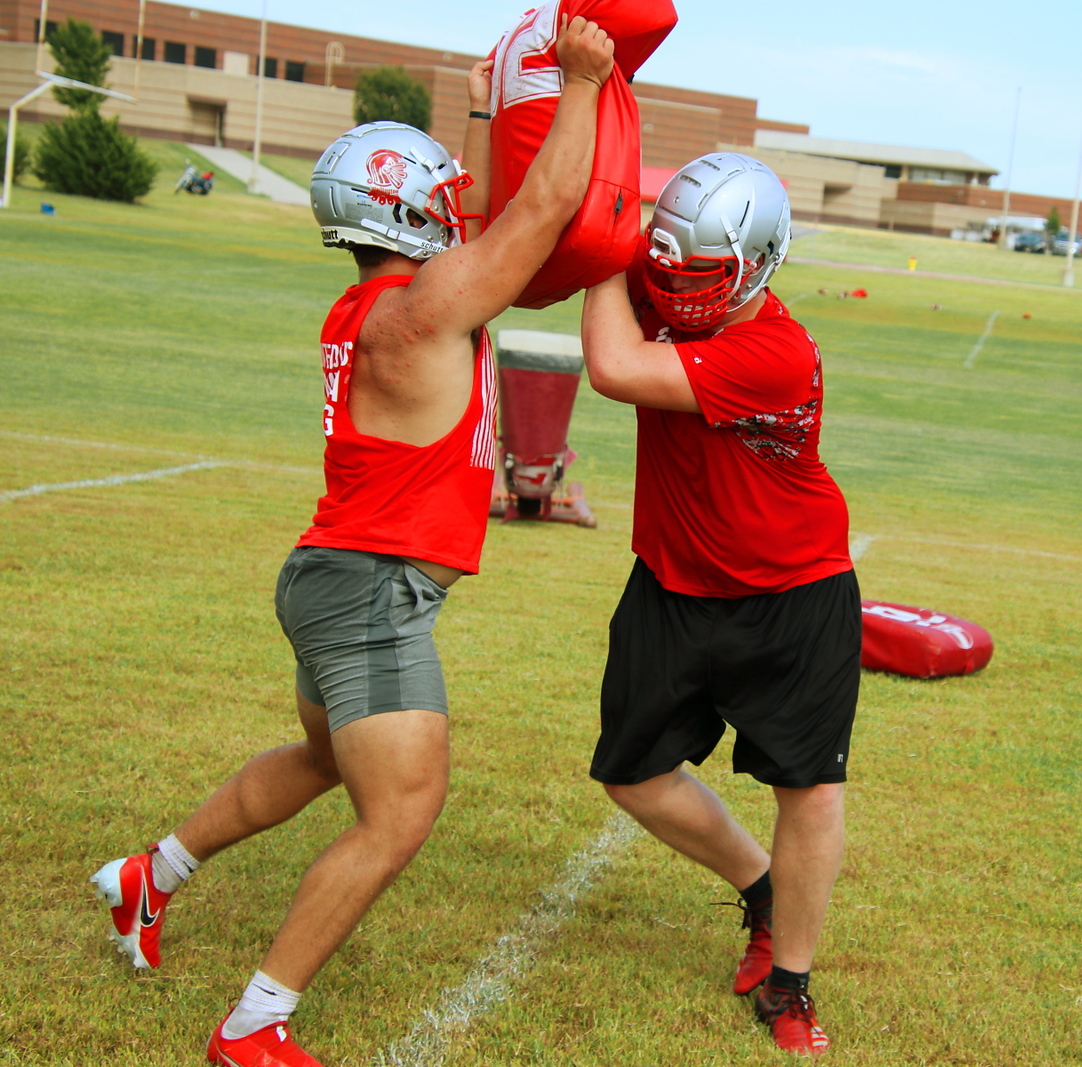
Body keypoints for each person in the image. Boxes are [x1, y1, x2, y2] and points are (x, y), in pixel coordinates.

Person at [88, 20, 615, 1067]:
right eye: (433, 191)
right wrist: (586, 85)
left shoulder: (381, 302)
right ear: (402, 211)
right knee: (400, 811)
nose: (452, 200)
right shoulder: (419, 310)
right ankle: (254, 1024)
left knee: (325, 759)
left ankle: (153, 872)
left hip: (338, 574)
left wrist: (478, 103)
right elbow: (545, 207)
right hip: (367, 585)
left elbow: (472, 220)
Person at [579, 152, 860, 1057]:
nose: (678, 291)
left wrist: (600, 254)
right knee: (631, 773)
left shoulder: (777, 352)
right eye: (671, 271)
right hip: (670, 580)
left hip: (792, 591)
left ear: (761, 261)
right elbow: (552, 241)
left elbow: (616, 367)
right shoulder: (668, 283)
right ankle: (762, 889)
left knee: (807, 789)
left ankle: (791, 983)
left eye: (702, 276)